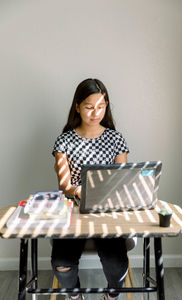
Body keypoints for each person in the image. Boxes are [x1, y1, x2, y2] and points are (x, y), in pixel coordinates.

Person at [52, 78, 130, 300]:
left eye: (101, 107)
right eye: (89, 107)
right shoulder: (64, 141)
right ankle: (75, 296)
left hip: (107, 211)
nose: (96, 113)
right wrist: (80, 192)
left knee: (117, 264)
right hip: (74, 212)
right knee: (61, 264)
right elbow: (65, 186)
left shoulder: (115, 139)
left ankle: (111, 296)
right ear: (77, 107)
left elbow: (122, 179)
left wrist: (104, 194)